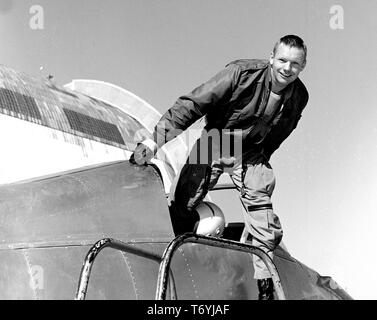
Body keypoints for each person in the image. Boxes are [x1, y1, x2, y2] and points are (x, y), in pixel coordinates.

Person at [130, 34, 308, 300]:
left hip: (252, 152)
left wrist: (258, 163)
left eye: (295, 63)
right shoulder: (239, 74)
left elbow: (281, 132)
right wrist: (154, 142)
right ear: (271, 57)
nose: (287, 68)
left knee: (263, 215)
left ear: (303, 66)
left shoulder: (299, 97)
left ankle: (264, 284)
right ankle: (168, 259)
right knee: (184, 199)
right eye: (282, 60)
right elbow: (193, 104)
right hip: (218, 138)